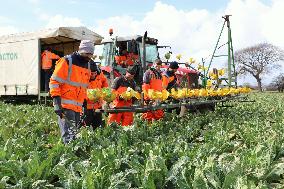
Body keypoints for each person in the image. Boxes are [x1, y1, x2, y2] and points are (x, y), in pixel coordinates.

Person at [49, 40, 95, 144]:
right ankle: (69, 157)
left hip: (77, 108)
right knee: (69, 135)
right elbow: (54, 82)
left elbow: (83, 87)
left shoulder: (87, 65)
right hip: (65, 105)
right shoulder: (67, 61)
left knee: (74, 134)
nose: (89, 57)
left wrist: (84, 104)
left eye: (91, 54)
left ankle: (71, 156)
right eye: (87, 53)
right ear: (81, 50)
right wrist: (57, 103)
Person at [84, 62, 108, 129]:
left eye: (95, 73)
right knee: (85, 127)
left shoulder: (100, 74)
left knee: (98, 127)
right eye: (91, 73)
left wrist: (105, 93)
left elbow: (105, 84)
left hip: (98, 107)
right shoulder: (82, 77)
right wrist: (87, 96)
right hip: (86, 108)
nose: (93, 75)